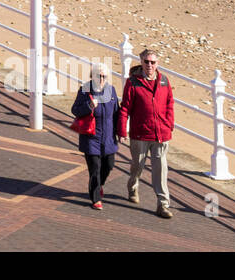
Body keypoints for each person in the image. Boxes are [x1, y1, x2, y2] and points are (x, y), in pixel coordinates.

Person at [117, 48, 176, 218]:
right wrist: (122, 129)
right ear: (141, 62)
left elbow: (169, 103)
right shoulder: (133, 82)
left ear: (158, 63)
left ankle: (163, 204)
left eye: (153, 62)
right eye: (146, 62)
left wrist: (169, 124)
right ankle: (133, 186)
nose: (150, 65)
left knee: (161, 169)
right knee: (138, 166)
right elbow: (125, 108)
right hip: (140, 134)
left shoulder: (164, 81)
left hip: (161, 134)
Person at [71, 61, 120, 210]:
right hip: (91, 138)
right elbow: (75, 110)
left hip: (109, 138)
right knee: (95, 169)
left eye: (105, 76)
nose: (102, 79)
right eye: (99, 76)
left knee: (109, 165)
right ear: (92, 76)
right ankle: (95, 199)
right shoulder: (85, 90)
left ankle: (99, 185)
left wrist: (121, 132)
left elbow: (117, 112)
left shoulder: (111, 90)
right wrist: (89, 106)